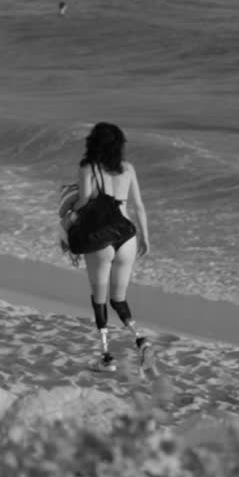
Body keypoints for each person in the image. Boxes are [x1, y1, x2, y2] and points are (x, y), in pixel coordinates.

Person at [71, 122, 151, 372]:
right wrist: (145, 238)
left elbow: (84, 202)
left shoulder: (88, 167)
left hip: (100, 238)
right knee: (119, 298)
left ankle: (106, 356)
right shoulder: (128, 168)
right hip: (127, 236)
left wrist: (68, 223)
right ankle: (141, 340)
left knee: (100, 298)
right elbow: (138, 206)